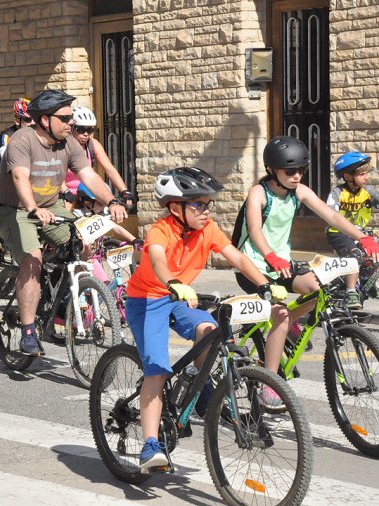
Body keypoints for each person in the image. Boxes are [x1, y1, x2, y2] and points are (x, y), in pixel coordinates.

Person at [127, 166, 286, 472]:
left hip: (179, 297)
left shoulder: (207, 229)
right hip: (147, 300)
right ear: (175, 207)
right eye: (197, 205)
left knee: (209, 328)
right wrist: (173, 283)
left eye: (207, 204)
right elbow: (158, 259)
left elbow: (237, 257)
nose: (205, 211)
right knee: (157, 370)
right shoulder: (160, 231)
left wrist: (264, 284)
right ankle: (149, 445)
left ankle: (202, 393)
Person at [232, 136, 379, 407]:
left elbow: (332, 216)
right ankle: (269, 382)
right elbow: (254, 231)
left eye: (301, 170)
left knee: (319, 289)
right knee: (280, 313)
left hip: (282, 264)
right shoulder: (258, 193)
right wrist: (271, 256)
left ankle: (288, 328)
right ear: (271, 171)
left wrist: (363, 237)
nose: (297, 175)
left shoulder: (298, 191)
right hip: (252, 266)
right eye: (290, 171)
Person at [0, 89, 126, 356]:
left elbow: (88, 175)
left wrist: (112, 201)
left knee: (83, 245)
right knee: (33, 259)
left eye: (71, 117)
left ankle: (56, 295)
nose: (71, 123)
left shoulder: (68, 143)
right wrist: (32, 207)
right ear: (45, 120)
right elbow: (19, 177)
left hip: (51, 206)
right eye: (65, 118)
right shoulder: (22, 140)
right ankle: (29, 331)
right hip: (15, 208)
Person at [325, 150, 379, 308]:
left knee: (375, 253)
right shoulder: (337, 193)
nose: (366, 177)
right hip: (338, 233)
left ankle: (368, 282)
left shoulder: (368, 192)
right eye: (362, 174)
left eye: (365, 173)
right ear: (348, 176)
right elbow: (331, 216)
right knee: (354, 255)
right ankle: (350, 291)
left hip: (361, 233)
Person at [69, 107, 135, 208]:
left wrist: (124, 191)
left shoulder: (92, 144)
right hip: (68, 195)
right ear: (71, 128)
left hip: (89, 195)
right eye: (81, 129)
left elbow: (110, 169)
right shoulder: (62, 146)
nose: (86, 134)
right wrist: (65, 193)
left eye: (90, 130)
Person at [0, 97, 34, 190]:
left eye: (35, 118)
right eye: (27, 120)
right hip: (3, 185)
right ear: (17, 120)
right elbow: (5, 160)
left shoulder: (36, 133)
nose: (33, 123)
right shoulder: (7, 136)